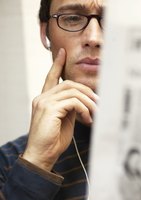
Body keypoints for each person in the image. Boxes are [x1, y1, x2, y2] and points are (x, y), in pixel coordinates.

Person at [0, 0, 104, 199]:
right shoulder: (7, 164)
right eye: (72, 18)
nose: (93, 38)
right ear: (45, 33)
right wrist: (37, 162)